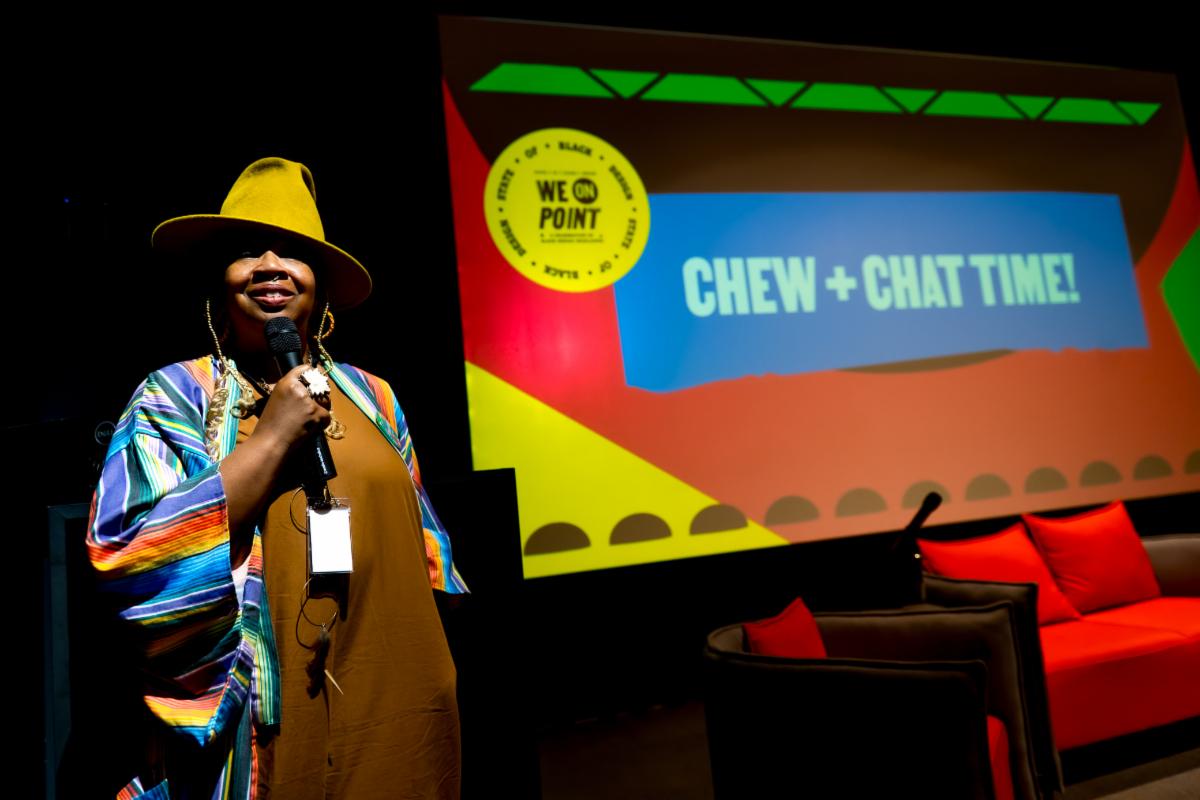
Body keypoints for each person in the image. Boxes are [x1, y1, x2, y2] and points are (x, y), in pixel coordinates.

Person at [87, 157, 467, 799]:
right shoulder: (174, 396)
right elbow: (131, 554)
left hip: (397, 701)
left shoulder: (375, 397)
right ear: (219, 280)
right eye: (246, 252)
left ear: (319, 284)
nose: (270, 265)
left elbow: (427, 557)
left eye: (293, 253)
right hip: (264, 715)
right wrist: (272, 436)